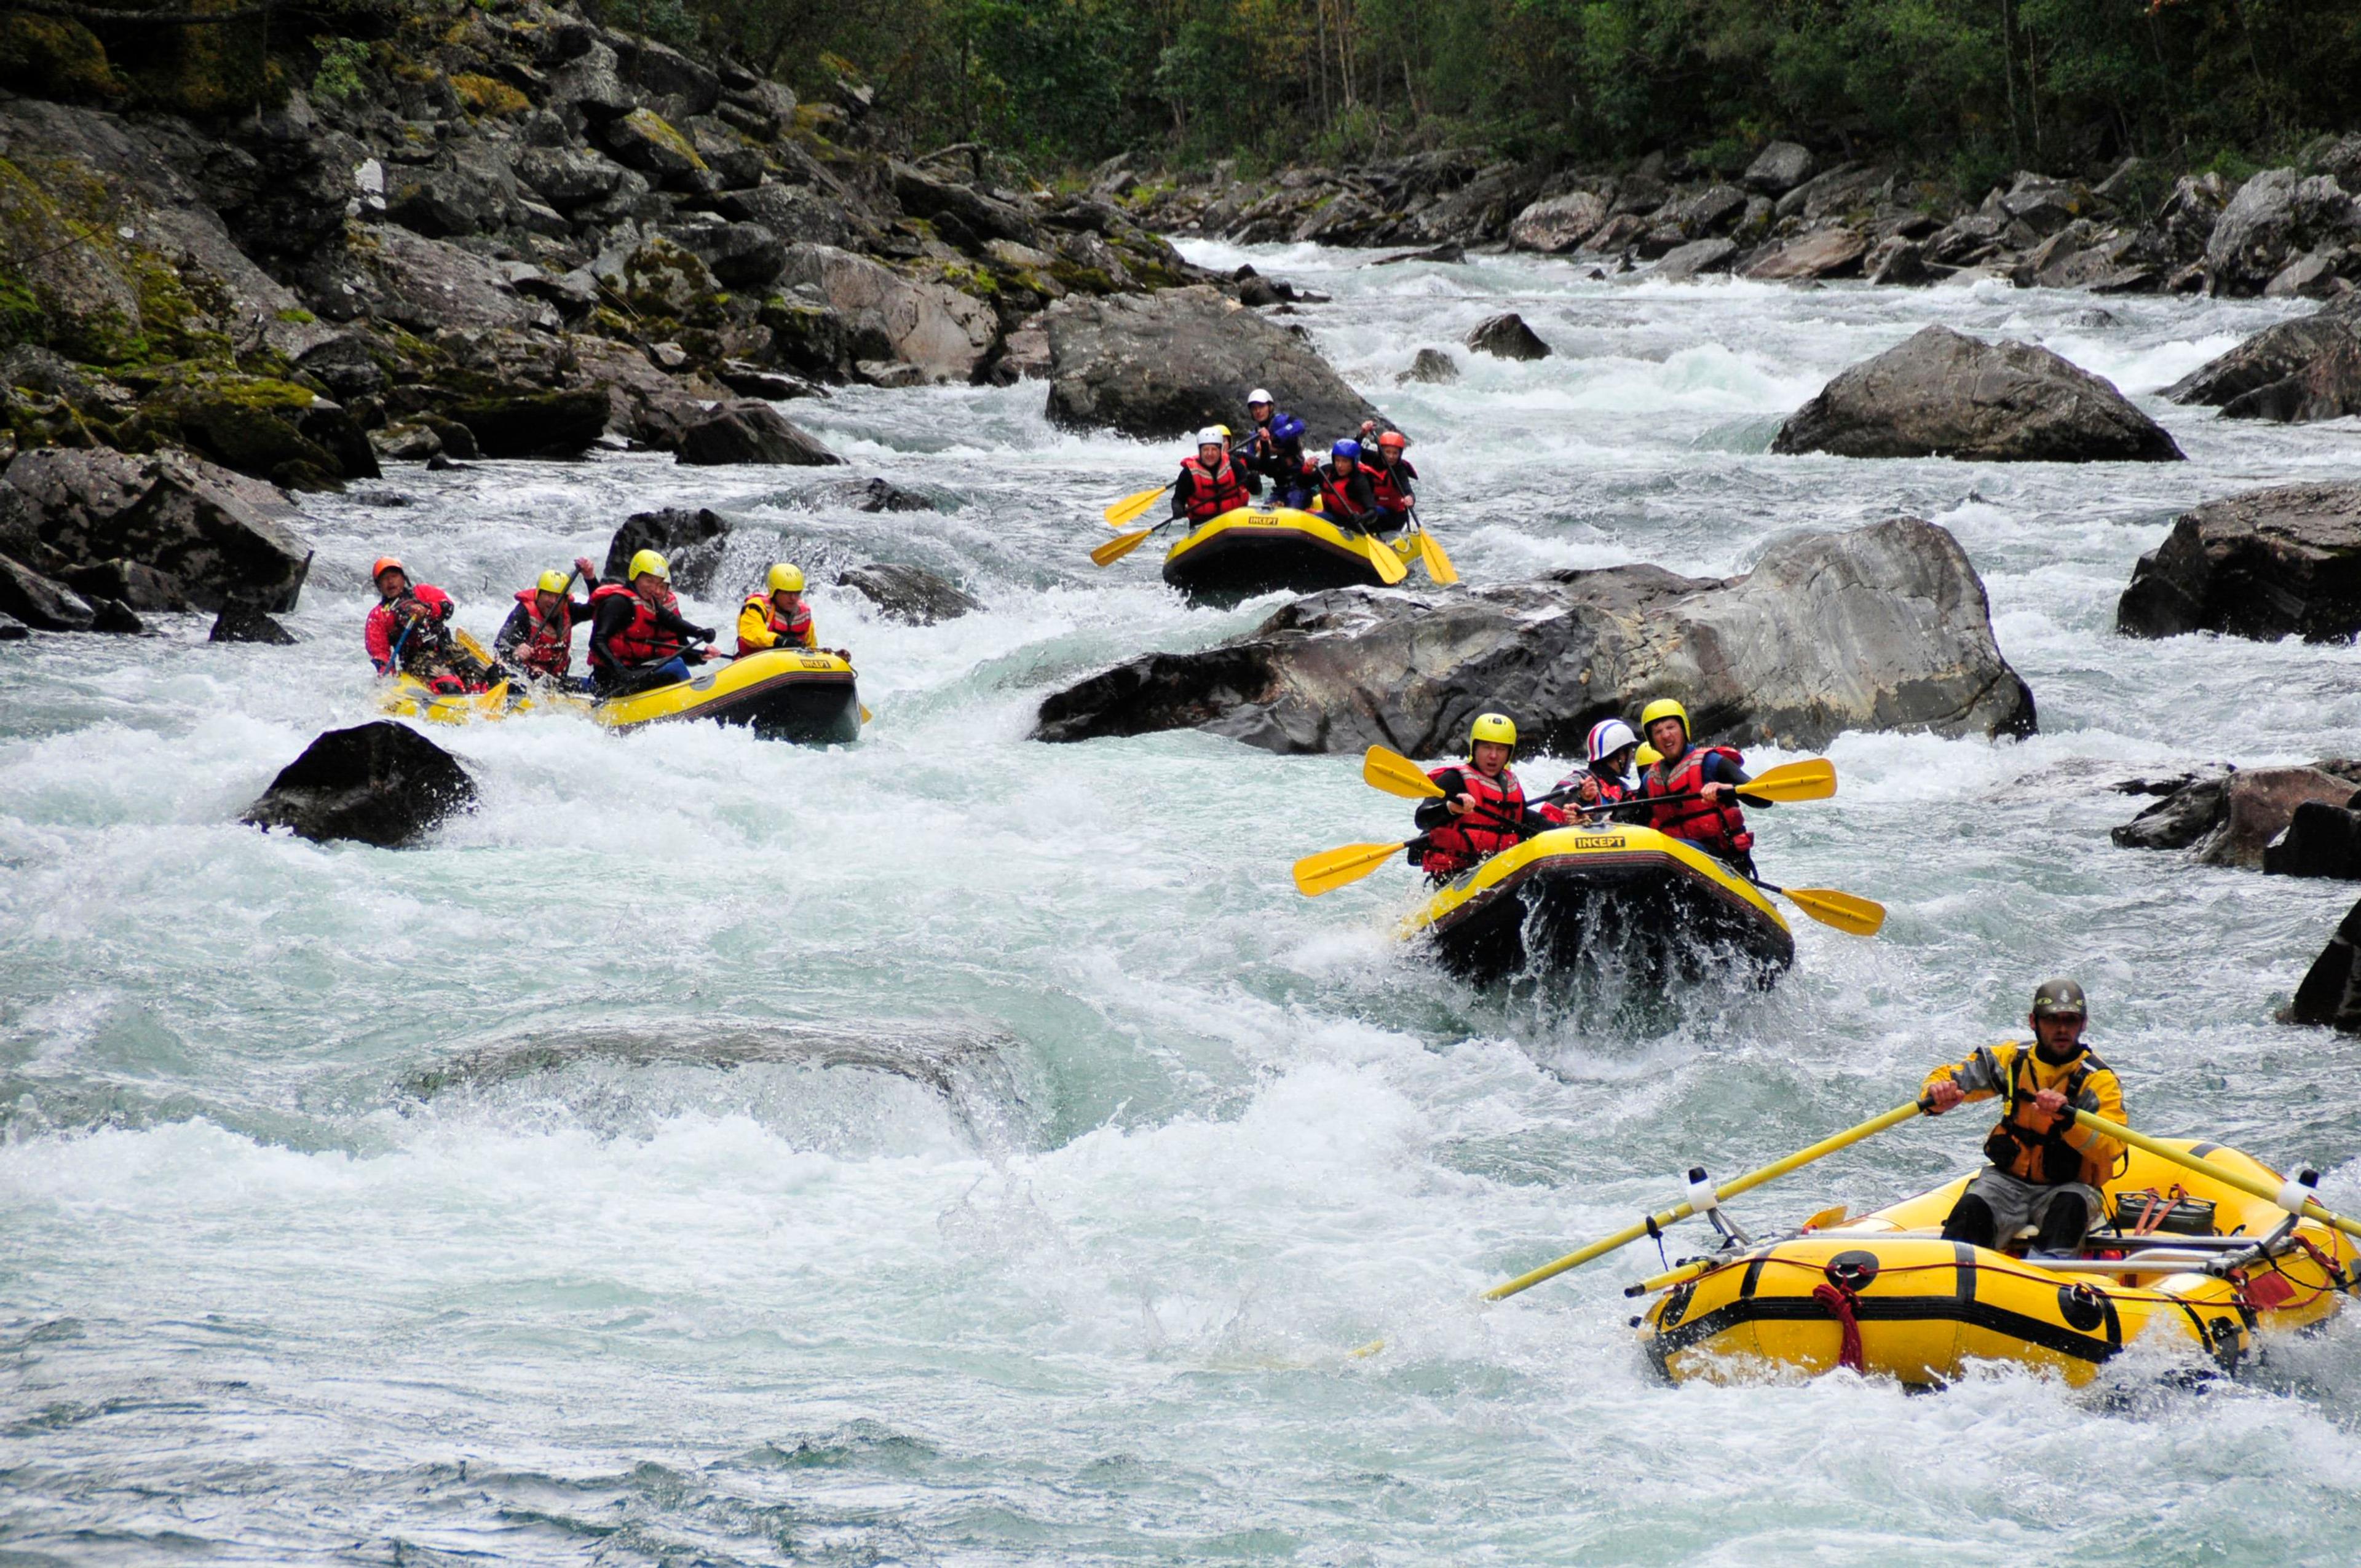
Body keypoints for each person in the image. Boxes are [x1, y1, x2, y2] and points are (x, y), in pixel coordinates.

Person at [1923, 979, 2125, 1258]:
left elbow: (2112, 1147)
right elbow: (1948, 1076)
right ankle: (1953, 1272)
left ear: (2084, 1024)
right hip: (2007, 1182)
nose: (2062, 1029)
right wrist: (1937, 1094)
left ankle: (2045, 1278)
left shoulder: (2098, 1080)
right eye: (2052, 1020)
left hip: (2068, 1186)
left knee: (2070, 1206)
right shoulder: (2012, 1060)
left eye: (2071, 1020)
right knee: (1972, 1210)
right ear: (2034, 1021)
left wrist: (2068, 1121)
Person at [1410, 712, 1557, 881]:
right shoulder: (1454, 779)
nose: (1493, 756)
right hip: (1455, 879)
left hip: (1499, 874)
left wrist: (1568, 826)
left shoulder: (1510, 785)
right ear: (1475, 747)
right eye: (1487, 747)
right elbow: (1422, 819)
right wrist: (1451, 809)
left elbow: (1527, 821)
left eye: (1501, 749)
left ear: (1509, 753)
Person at [1636, 697, 1760, 875]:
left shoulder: (1712, 763)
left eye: (1671, 727)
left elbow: (1763, 800)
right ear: (1652, 741)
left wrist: (1728, 789)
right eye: (1658, 732)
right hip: (1677, 866)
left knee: (1669, 849)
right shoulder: (1650, 781)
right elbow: (1634, 824)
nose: (1665, 735)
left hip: (1726, 864)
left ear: (1684, 730)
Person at [587, 549, 717, 696]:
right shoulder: (618, 603)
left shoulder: (649, 602)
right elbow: (597, 642)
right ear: (635, 576)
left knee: (675, 662)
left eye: (658, 583)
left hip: (633, 671)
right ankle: (693, 700)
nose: (654, 589)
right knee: (676, 666)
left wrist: (699, 632)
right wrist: (621, 671)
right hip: (610, 679)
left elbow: (671, 621)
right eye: (649, 581)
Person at [364, 556, 491, 688]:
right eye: (385, 578)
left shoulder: (422, 592)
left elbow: (447, 608)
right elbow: (380, 654)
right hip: (417, 660)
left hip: (447, 648)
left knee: (488, 676)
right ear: (379, 585)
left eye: (394, 576)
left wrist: (427, 610)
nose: (390, 581)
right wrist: (388, 681)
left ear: (403, 579)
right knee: (449, 685)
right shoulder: (378, 616)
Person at [494, 557, 603, 687]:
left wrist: (590, 578)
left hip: (557, 682)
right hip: (525, 682)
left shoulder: (569, 610)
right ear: (538, 595)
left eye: (558, 597)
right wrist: (515, 651)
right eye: (548, 595)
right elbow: (501, 644)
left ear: (565, 600)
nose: (553, 601)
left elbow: (598, 608)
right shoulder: (524, 613)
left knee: (597, 686)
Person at [1541, 719, 1641, 825]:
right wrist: (1581, 799)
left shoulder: (1623, 789)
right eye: (1630, 751)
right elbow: (1545, 819)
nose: (1632, 756)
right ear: (1619, 754)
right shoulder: (1578, 781)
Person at [738, 562, 834, 657]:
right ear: (774, 592)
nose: (793, 598)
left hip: (791, 665)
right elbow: (751, 633)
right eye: (787, 593)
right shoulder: (756, 607)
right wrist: (779, 641)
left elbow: (811, 648)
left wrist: (823, 654)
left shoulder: (803, 615)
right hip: (755, 662)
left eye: (797, 593)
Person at [1170, 426, 1254, 526]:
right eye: (1206, 450)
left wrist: (1254, 483)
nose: (1210, 454)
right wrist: (1177, 508)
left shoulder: (1233, 464)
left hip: (1234, 521)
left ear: (1220, 450)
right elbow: (1178, 499)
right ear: (1200, 451)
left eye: (1214, 449)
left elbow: (1257, 491)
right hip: (1202, 524)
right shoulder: (1189, 473)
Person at [1241, 388, 1310, 507]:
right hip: (1280, 488)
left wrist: (1275, 438)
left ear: (1270, 407)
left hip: (1299, 486)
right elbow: (1251, 463)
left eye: (1261, 407)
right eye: (1254, 409)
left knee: (1291, 512)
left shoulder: (1280, 421)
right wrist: (1251, 475)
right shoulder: (1254, 437)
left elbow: (1300, 426)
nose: (1258, 411)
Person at [1310, 439, 1383, 534]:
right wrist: (1307, 470)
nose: (1340, 465)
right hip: (1334, 516)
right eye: (1337, 460)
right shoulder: (1327, 471)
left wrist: (1361, 518)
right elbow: (1303, 484)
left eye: (1345, 462)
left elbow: (1373, 512)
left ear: (1354, 462)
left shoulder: (1359, 481)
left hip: (1353, 524)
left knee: (1319, 519)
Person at [1356, 425, 1418, 527]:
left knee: (1372, 512)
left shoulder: (1399, 470)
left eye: (1395, 453)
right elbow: (1353, 449)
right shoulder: (1372, 458)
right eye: (1387, 452)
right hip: (1371, 509)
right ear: (1381, 451)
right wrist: (1363, 433)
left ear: (1400, 454)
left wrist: (1410, 498)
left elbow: (1408, 490)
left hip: (1394, 516)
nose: (1391, 457)